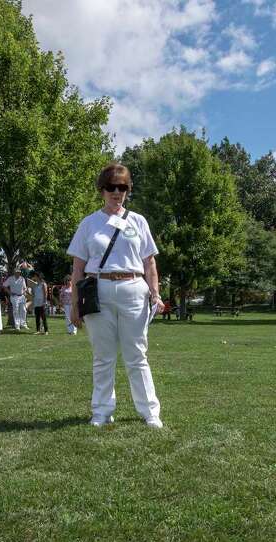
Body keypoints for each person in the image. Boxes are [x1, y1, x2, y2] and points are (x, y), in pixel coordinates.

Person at [68, 162, 163, 428]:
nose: (117, 192)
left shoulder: (138, 221)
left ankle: (149, 412)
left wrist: (154, 293)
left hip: (134, 289)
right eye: (111, 186)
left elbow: (149, 263)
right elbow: (77, 267)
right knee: (103, 356)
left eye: (122, 187)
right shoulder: (89, 223)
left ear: (128, 190)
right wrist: (75, 304)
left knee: (137, 355)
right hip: (98, 290)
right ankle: (101, 411)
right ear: (102, 189)